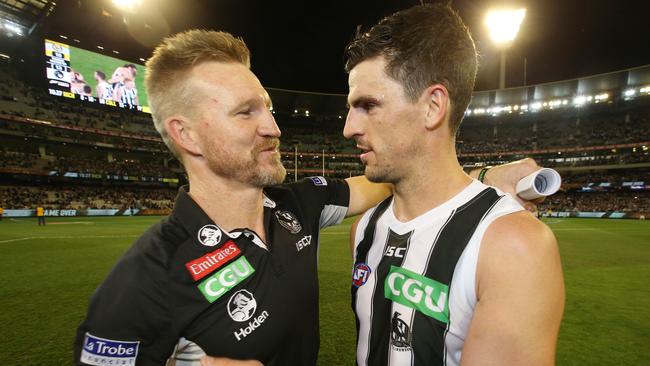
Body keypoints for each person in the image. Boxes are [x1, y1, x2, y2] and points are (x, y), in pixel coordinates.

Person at [74, 30, 544, 366]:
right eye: (246, 113)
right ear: (188, 135)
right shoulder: (143, 279)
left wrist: (483, 176)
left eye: (268, 107)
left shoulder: (299, 205)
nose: (273, 127)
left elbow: (396, 174)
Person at [344, 4, 564, 366]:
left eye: (368, 105)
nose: (349, 128)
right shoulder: (365, 230)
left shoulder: (513, 246)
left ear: (433, 107)